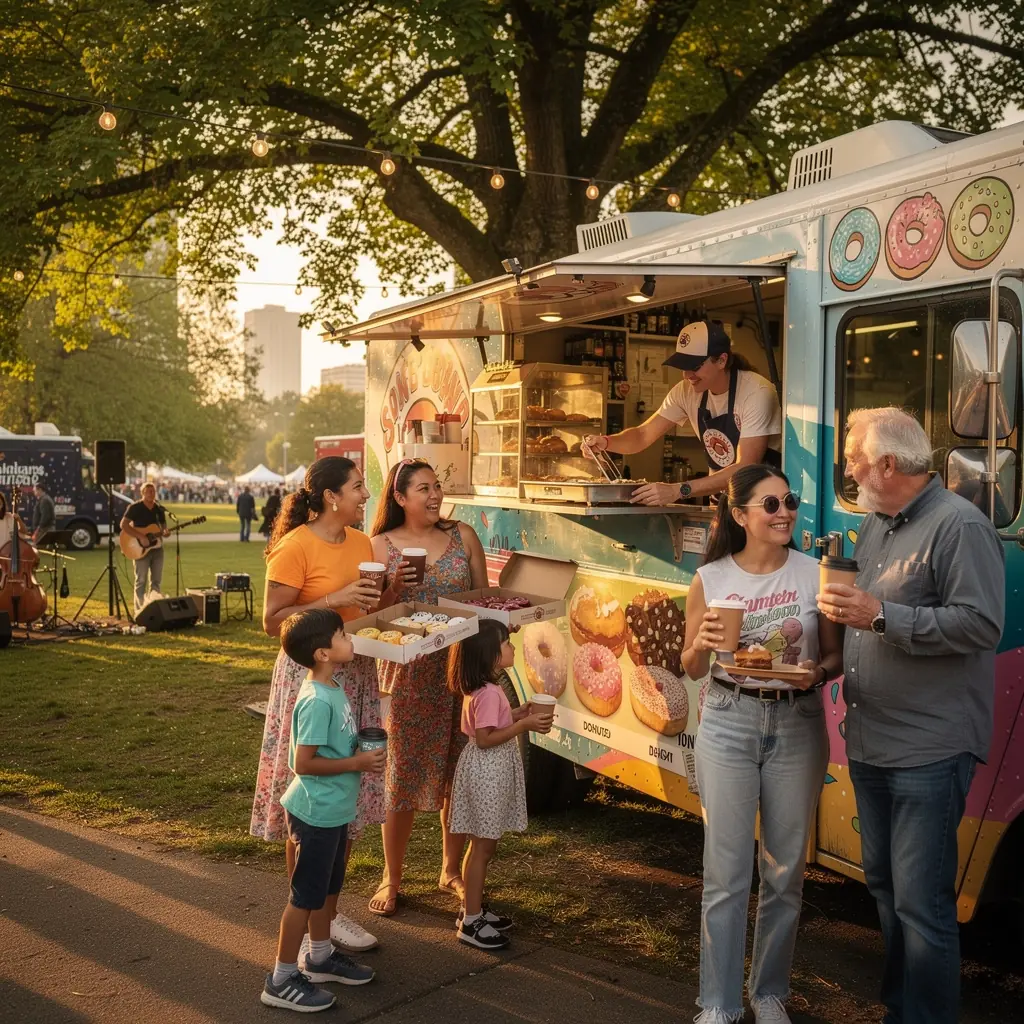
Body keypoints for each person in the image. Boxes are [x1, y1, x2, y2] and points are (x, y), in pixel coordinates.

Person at [817, 407, 1005, 1024]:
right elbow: (864, 611)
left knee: (923, 904)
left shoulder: (960, 527)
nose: (847, 469)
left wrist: (878, 616)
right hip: (873, 740)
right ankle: (903, 1009)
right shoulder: (878, 522)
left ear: (889, 465)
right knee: (887, 889)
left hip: (930, 746)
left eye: (855, 460)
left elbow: (981, 624)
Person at [682, 464, 843, 1024]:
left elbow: (833, 658)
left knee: (785, 870)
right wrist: (699, 646)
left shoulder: (814, 574)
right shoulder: (711, 579)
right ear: (739, 514)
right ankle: (719, 1002)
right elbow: (693, 666)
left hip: (797, 722)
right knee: (726, 873)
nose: (784, 514)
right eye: (770, 505)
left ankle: (769, 992)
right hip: (728, 720)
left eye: (789, 502)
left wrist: (815, 676)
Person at [251, 456, 408, 955]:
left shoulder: (362, 543)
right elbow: (273, 622)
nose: (367, 495)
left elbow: (364, 612)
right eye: (359, 487)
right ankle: (308, 911)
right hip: (309, 677)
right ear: (330, 497)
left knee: (345, 793)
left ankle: (328, 916)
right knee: (312, 795)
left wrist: (392, 592)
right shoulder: (294, 547)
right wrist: (334, 596)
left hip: (355, 670)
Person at [367, 458, 490, 917]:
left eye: (437, 486)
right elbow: (369, 615)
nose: (435, 495)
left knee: (458, 773)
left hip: (461, 671)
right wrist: (394, 586)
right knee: (401, 774)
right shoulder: (380, 545)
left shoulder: (463, 537)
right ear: (400, 498)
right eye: (423, 488)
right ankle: (391, 876)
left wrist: (500, 624)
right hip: (409, 674)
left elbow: (484, 598)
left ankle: (449, 869)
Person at [260, 608, 382, 1013]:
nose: (350, 639)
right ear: (322, 653)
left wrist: (358, 749)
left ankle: (319, 957)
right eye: (342, 635)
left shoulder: (333, 687)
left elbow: (332, 746)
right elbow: (304, 762)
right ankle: (280, 979)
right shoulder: (315, 699)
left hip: (334, 812)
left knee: (327, 891)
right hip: (314, 813)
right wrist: (357, 763)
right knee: (304, 898)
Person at [584, 319, 782, 506]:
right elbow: (643, 435)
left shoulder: (756, 392)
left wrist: (679, 490)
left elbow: (746, 466)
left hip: (765, 501)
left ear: (722, 360)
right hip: (723, 500)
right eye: (683, 367)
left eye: (694, 367)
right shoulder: (685, 391)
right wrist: (607, 442)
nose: (687, 376)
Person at [447, 620, 551, 949]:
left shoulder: (483, 689)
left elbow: (490, 725)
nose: (513, 647)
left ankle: (472, 907)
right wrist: (526, 726)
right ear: (489, 655)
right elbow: (486, 738)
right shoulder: (490, 692)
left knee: (481, 846)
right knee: (482, 848)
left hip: (482, 770)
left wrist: (518, 713)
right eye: (506, 643)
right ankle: (471, 921)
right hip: (488, 770)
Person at [120, 482, 168, 613]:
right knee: (141, 581)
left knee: (156, 581)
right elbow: (123, 525)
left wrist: (166, 531)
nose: (151, 494)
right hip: (140, 548)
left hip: (157, 548)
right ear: (142, 493)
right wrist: (141, 536)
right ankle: (140, 611)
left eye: (153, 491)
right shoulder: (135, 507)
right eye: (148, 491)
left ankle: (154, 609)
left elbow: (163, 526)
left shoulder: (159, 509)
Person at [30, 480, 56, 544]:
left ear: (40, 490)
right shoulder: (44, 499)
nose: (33, 492)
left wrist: (38, 529)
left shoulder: (44, 500)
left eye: (35, 490)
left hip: (44, 530)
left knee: (38, 546)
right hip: (43, 529)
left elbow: (45, 516)